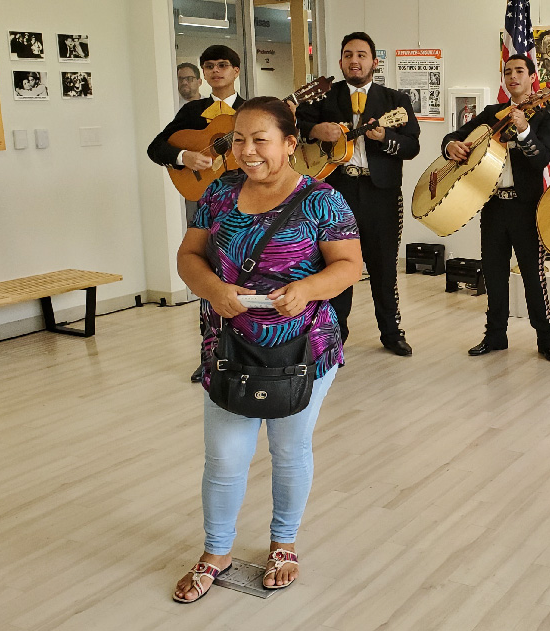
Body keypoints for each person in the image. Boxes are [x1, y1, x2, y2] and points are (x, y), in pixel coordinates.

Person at [172, 96, 362, 603]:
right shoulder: (218, 193)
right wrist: (214, 290)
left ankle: (284, 544)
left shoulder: (323, 200)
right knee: (225, 458)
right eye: (239, 140)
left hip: (303, 349)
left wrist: (307, 289)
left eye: (260, 140)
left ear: (290, 144)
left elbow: (348, 265)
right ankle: (217, 551)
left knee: (289, 449)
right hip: (230, 344)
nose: (247, 151)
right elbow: (189, 255)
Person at [296, 31, 421, 356]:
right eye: (349, 55)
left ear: (374, 61)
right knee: (336, 267)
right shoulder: (323, 98)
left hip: (381, 193)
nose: (355, 60)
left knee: (383, 268)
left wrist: (385, 138)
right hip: (335, 192)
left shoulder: (395, 100)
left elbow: (412, 145)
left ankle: (391, 333)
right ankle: (335, 334)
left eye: (362, 55)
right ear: (340, 61)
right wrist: (314, 130)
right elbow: (295, 126)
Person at [442, 54, 550, 362]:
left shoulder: (547, 115)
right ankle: (495, 336)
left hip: (528, 208)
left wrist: (523, 130)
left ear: (532, 76)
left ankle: (546, 338)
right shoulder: (493, 113)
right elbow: (456, 135)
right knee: (494, 276)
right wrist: (450, 145)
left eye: (519, 71)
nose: (512, 77)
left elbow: (541, 159)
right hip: (494, 206)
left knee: (533, 278)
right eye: (507, 72)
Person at [148, 45, 245, 382]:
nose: (216, 71)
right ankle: (210, 353)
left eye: (223, 65)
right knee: (207, 275)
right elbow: (156, 147)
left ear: (236, 71)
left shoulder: (252, 111)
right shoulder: (192, 111)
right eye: (209, 66)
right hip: (206, 201)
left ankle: (248, 352)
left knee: (243, 276)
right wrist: (184, 156)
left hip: (246, 200)